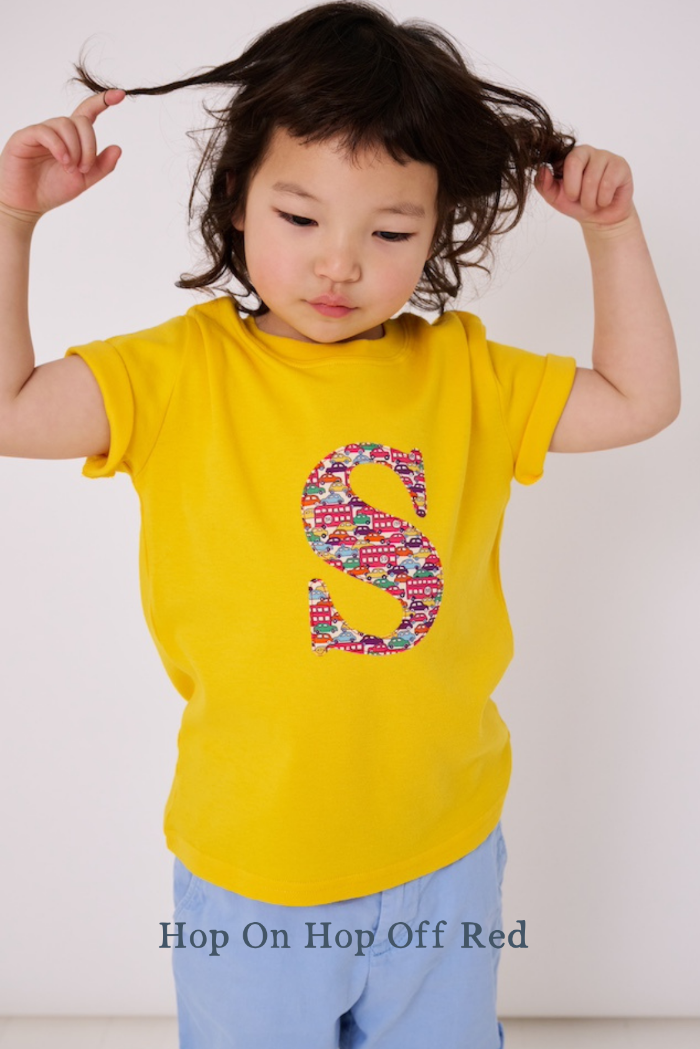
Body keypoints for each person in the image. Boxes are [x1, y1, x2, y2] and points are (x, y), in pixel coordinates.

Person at [0, 2, 680, 1047]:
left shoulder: (463, 370)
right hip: (254, 868)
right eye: (300, 217)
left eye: (391, 231)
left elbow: (639, 399)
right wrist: (12, 222)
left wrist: (612, 231)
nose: (339, 263)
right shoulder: (177, 373)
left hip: (442, 852)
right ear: (234, 202)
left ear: (438, 227)